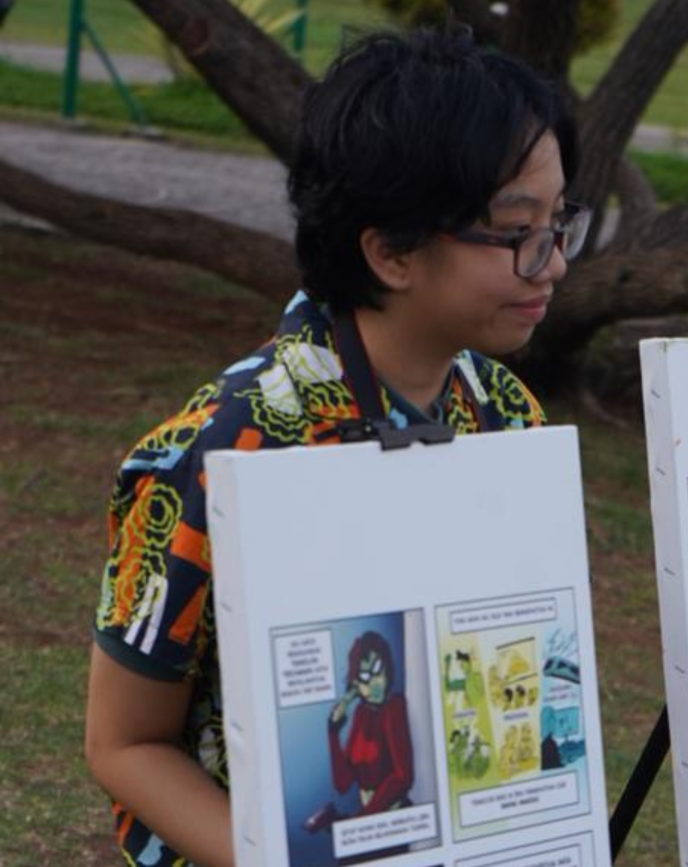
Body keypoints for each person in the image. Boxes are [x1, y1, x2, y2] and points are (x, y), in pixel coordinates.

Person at [84, 29, 589, 867]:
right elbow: (124, 744)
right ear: (390, 250)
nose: (555, 264)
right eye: (517, 232)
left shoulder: (508, 415)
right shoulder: (220, 448)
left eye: (560, 220)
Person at [303, 632, 413, 843]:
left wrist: (360, 822)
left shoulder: (394, 707)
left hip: (392, 820)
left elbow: (402, 777)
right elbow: (343, 784)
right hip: (368, 819)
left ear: (387, 666)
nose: (374, 684)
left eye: (378, 671)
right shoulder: (361, 713)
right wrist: (333, 732)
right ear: (355, 684)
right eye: (364, 677)